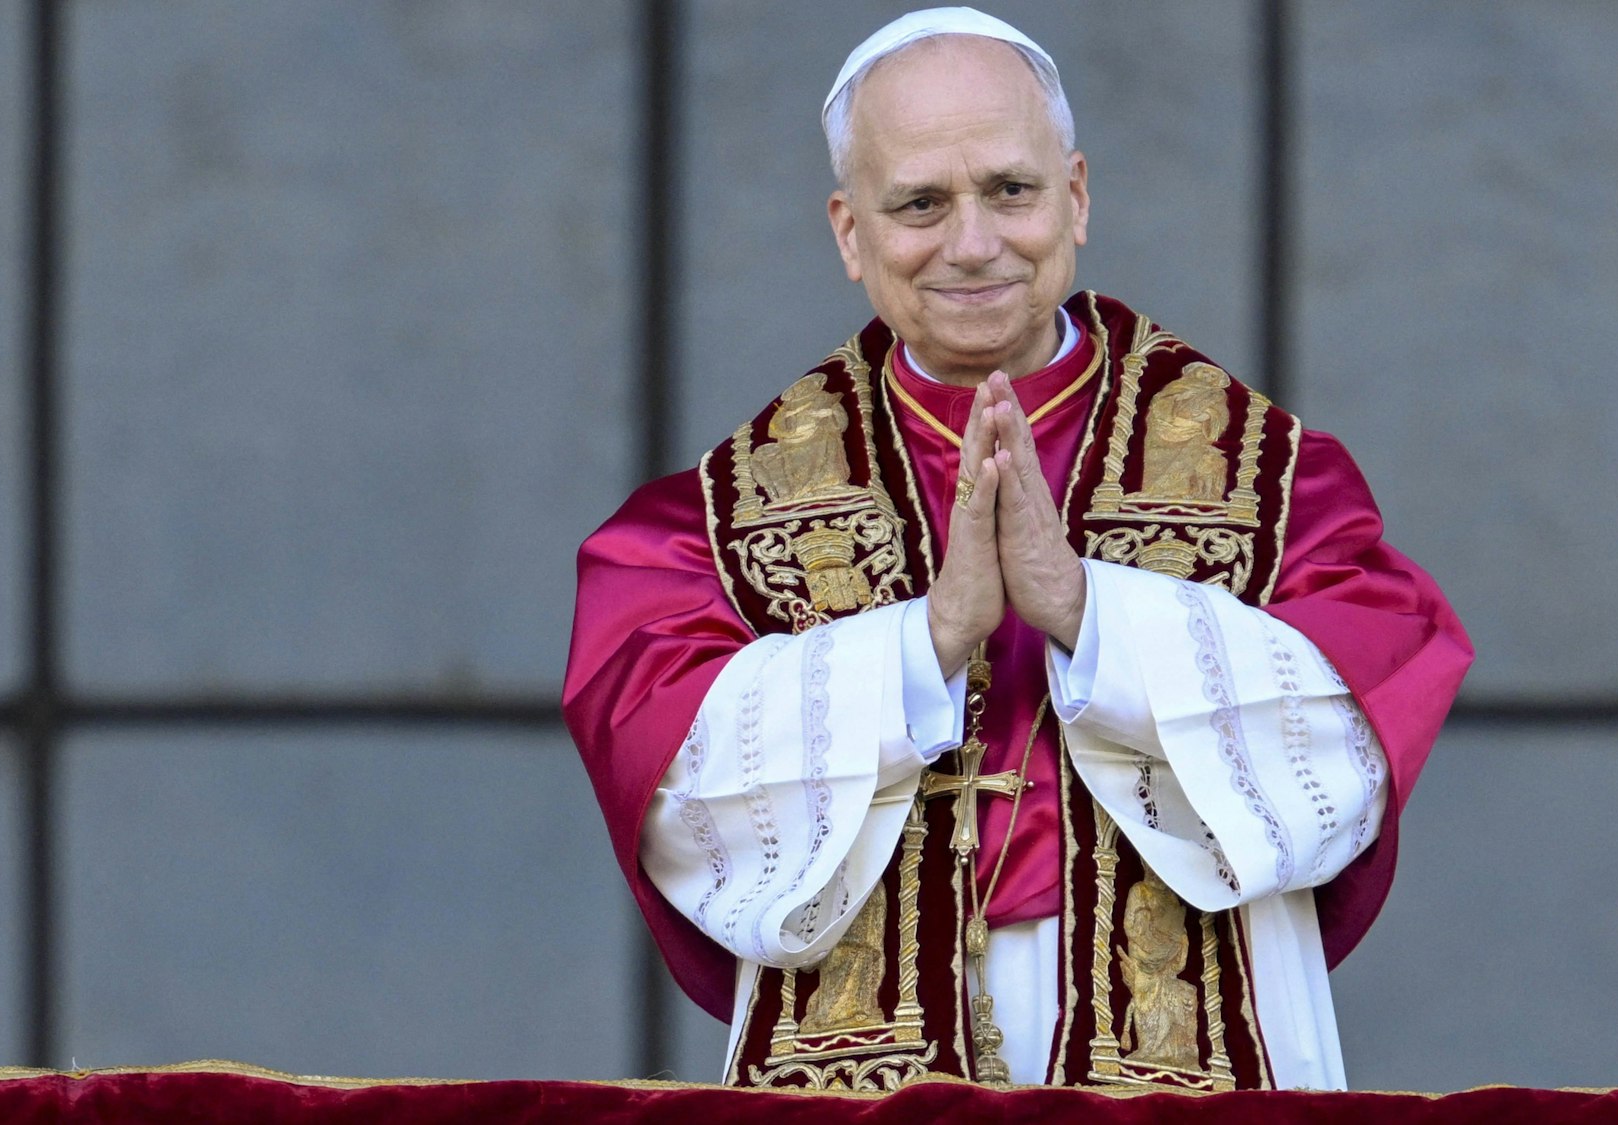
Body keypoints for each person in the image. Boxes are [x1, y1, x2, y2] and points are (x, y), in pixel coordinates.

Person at [563, 7, 1471, 1092]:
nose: (972, 242)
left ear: (1075, 197)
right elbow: (676, 785)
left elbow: (1355, 736)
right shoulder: (713, 522)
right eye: (918, 204)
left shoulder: (1271, 481)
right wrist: (928, 640)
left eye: (1009, 189)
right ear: (849, 233)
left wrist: (1088, 612)